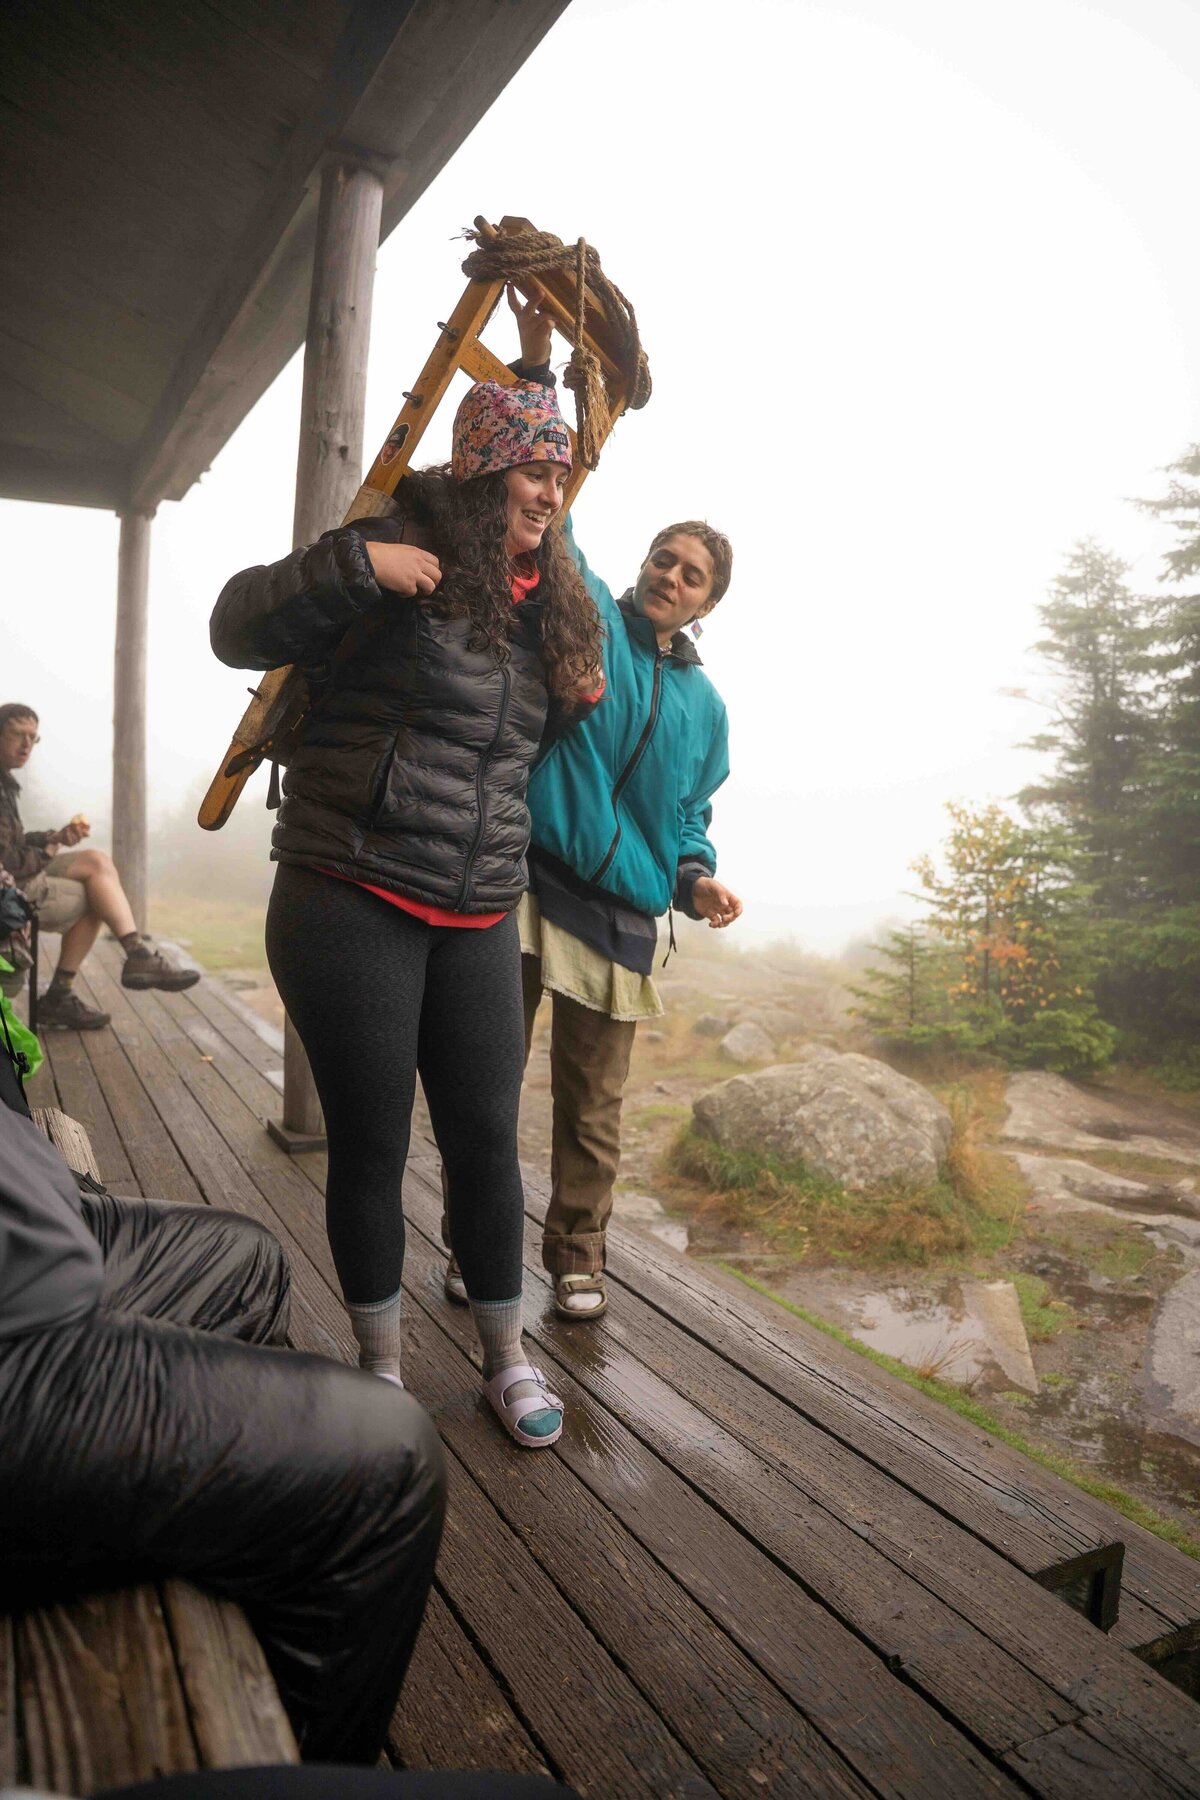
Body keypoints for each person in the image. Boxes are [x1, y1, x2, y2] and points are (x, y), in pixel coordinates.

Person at [210, 373, 602, 1448]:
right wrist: (358, 566)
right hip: (351, 888)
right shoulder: (395, 546)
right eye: (533, 468)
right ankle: (379, 1371)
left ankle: (506, 1359)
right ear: (481, 472)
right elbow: (234, 625)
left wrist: (573, 682)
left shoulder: (552, 600)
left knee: (485, 1140)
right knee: (373, 1141)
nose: (550, 491)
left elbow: (512, 761)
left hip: (477, 906)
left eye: (560, 473)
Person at [0, 1023, 446, 1767]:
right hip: (18, 1318)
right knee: (390, 1458)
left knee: (248, 1261)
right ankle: (285, 1768)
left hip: (24, 1216)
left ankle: (237, 1551)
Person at [443, 289, 742, 1322]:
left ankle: (577, 1258)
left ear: (709, 603)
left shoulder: (708, 707)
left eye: (693, 574)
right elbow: (548, 511)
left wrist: (694, 878)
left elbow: (692, 813)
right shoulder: (589, 617)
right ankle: (475, 1250)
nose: (671, 575)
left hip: (621, 914)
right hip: (529, 882)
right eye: (666, 558)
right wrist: (537, 372)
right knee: (487, 1092)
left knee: (593, 1115)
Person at [0, 702, 200, 1029]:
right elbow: (8, 861)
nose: (26, 745)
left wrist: (56, 836)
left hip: (15, 876)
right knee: (99, 895)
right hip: (8, 890)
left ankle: (133, 956)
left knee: (97, 863)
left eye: (32, 738)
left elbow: (13, 841)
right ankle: (83, 983)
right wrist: (52, 848)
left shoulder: (5, 781)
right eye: (17, 734)